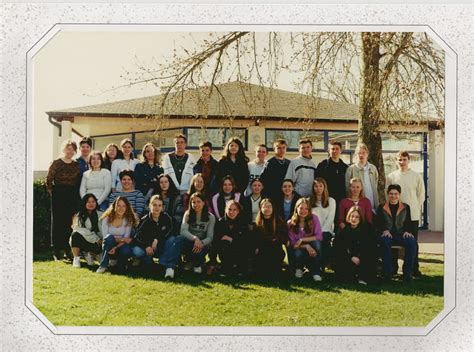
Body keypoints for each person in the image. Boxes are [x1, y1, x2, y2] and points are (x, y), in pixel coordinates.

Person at [386, 151, 425, 277]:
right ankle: (393, 268)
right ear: (396, 161)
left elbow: (421, 195)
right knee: (392, 241)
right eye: (399, 159)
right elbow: (388, 194)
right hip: (394, 215)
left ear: (409, 160)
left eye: (404, 159)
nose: (402, 162)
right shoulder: (391, 176)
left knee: (412, 243)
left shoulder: (416, 176)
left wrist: (413, 207)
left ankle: (413, 269)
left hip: (412, 216)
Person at [131, 195, 182, 279]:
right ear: (150, 206)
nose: (157, 208)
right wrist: (147, 245)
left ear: (162, 207)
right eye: (154, 205)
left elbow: (169, 232)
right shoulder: (145, 220)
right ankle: (147, 261)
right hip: (148, 248)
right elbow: (138, 236)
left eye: (159, 205)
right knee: (137, 251)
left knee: (172, 239)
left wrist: (157, 239)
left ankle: (163, 263)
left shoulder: (166, 218)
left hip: (161, 246)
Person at [46, 139, 80, 261]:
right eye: (68, 148)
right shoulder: (56, 163)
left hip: (71, 195)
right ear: (64, 149)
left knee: (67, 223)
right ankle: (56, 250)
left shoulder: (76, 165)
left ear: (75, 151)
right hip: (58, 194)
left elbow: (77, 182)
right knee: (57, 223)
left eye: (72, 149)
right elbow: (49, 180)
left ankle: (66, 249)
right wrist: (53, 193)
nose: (70, 151)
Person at [376, 184, 418, 283]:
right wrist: (384, 230)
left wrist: (408, 231)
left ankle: (407, 273)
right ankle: (387, 273)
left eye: (396, 194)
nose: (393, 196)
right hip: (387, 234)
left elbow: (408, 222)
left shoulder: (406, 207)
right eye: (391, 194)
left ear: (399, 194)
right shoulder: (381, 207)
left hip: (401, 234)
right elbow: (378, 223)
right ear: (388, 194)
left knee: (412, 242)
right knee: (385, 242)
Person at [97, 196, 139, 273]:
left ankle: (121, 265)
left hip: (120, 245)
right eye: (118, 205)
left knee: (126, 249)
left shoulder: (128, 220)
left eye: (123, 206)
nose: (121, 208)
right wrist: (122, 239)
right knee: (109, 237)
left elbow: (127, 239)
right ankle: (103, 266)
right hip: (108, 244)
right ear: (114, 206)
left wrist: (116, 247)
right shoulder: (107, 218)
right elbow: (105, 237)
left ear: (126, 208)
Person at [333, 206, 374, 285]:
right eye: (352, 216)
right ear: (349, 217)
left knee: (368, 258)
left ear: (361, 218)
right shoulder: (344, 230)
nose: (354, 219)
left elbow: (368, 247)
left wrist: (358, 257)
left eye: (357, 217)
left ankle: (362, 277)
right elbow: (339, 248)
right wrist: (351, 257)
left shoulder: (366, 230)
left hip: (361, 257)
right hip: (349, 258)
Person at [287, 198, 323, 281]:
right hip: (298, 249)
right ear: (296, 209)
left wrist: (302, 239)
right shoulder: (290, 223)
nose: (303, 211)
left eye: (306, 208)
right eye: (301, 208)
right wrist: (306, 245)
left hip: (312, 247)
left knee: (317, 243)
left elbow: (319, 236)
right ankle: (298, 269)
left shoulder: (314, 218)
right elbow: (293, 244)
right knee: (298, 252)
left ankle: (316, 272)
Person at [179, 192, 216, 274]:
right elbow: (183, 231)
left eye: (198, 201)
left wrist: (201, 243)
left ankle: (197, 264)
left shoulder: (211, 217)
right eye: (193, 202)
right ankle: (185, 262)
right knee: (179, 239)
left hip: (203, 244)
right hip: (190, 241)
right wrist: (195, 239)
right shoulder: (188, 214)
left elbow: (210, 237)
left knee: (198, 255)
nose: (196, 204)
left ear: (203, 203)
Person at [211, 201, 249, 276]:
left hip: (239, 251)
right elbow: (215, 242)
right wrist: (213, 261)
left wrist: (231, 239)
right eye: (229, 209)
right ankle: (225, 267)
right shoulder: (220, 222)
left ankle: (238, 267)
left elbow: (245, 241)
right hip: (225, 251)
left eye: (234, 210)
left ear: (238, 211)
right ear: (225, 210)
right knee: (224, 243)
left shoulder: (243, 223)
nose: (232, 212)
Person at [253, 198, 288, 279]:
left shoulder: (279, 221)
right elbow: (256, 239)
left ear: (272, 208)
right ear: (261, 209)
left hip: (275, 250)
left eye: (269, 207)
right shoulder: (257, 223)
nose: (267, 209)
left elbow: (282, 237)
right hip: (263, 250)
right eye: (264, 207)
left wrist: (273, 240)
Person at [309, 178, 336, 270]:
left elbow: (330, 219)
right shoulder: (309, 201)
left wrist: (320, 233)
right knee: (316, 242)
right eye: (316, 186)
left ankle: (321, 265)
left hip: (326, 230)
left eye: (321, 186)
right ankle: (316, 266)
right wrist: (315, 233)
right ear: (313, 188)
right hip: (312, 231)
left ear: (324, 187)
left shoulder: (331, 201)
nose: (318, 188)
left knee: (321, 241)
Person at [69, 194, 103, 268]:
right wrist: (95, 238)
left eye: (93, 201)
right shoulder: (79, 215)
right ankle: (76, 259)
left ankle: (90, 254)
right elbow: (77, 228)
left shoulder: (102, 215)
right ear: (84, 203)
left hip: (100, 243)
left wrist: (102, 240)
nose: (91, 204)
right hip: (89, 241)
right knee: (75, 235)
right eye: (88, 202)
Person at [345, 143, 379, 212]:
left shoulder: (373, 168)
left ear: (367, 154)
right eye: (359, 153)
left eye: (363, 153)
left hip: (373, 206)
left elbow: (375, 185)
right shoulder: (351, 169)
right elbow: (347, 188)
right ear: (356, 155)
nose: (361, 155)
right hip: (357, 208)